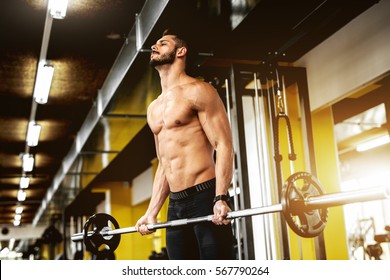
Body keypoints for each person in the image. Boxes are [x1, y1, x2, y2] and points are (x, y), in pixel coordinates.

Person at [135, 29, 235, 260]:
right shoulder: (154, 108)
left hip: (205, 196)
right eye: (154, 44)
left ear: (181, 51)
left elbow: (223, 145)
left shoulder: (199, 91)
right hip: (176, 204)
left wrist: (220, 198)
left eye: (163, 43)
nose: (154, 46)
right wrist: (152, 212)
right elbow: (164, 164)